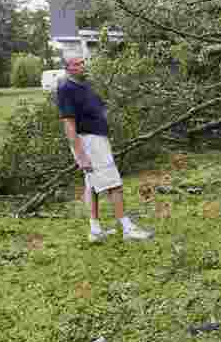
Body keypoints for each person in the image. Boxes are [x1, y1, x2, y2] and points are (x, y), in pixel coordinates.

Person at [57, 57, 152, 242]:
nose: (81, 66)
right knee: (114, 184)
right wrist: (81, 155)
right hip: (88, 142)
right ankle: (127, 229)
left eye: (82, 63)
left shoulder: (85, 85)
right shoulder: (66, 89)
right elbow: (68, 124)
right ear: (67, 68)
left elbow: (100, 109)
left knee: (92, 185)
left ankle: (95, 231)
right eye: (76, 64)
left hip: (98, 139)